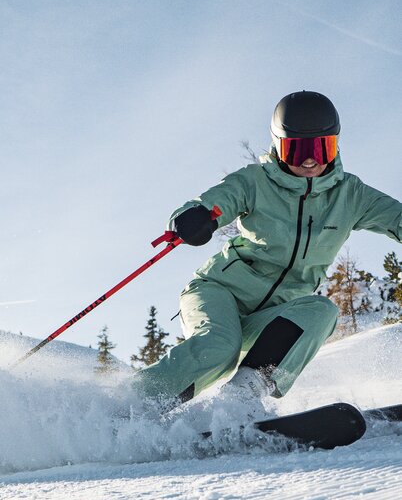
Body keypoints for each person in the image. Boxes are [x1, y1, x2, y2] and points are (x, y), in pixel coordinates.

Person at [135, 90, 401, 415]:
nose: (309, 161)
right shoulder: (255, 182)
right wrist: (195, 217)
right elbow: (215, 201)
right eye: (297, 149)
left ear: (334, 145)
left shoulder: (351, 195)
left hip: (274, 318)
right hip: (219, 292)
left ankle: (240, 400)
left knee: (322, 311)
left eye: (320, 148)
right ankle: (131, 404)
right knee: (220, 347)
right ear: (278, 145)